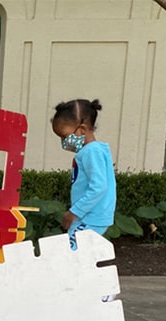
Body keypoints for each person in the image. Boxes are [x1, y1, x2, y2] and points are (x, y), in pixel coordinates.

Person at [51, 98, 117, 250]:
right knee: (76, 256)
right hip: (87, 216)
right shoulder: (91, 151)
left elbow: (99, 187)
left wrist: (73, 212)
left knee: (70, 254)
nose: (63, 142)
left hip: (91, 217)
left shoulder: (91, 152)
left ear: (81, 130)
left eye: (64, 136)